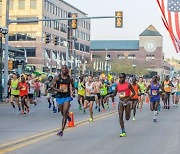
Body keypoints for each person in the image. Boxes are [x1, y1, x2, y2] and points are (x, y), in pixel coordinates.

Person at [53, 65, 75, 137]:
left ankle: (61, 130)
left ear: (67, 70)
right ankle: (68, 117)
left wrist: (73, 92)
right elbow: (52, 86)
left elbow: (73, 85)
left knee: (65, 111)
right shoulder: (57, 77)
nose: (64, 70)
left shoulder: (70, 78)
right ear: (61, 70)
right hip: (59, 97)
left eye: (65, 69)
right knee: (62, 112)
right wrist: (58, 90)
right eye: (63, 69)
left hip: (67, 97)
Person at [112, 73, 135, 137]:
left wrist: (128, 99)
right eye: (120, 77)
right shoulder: (117, 85)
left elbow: (134, 93)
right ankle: (123, 130)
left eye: (122, 77)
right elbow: (114, 94)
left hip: (127, 102)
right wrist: (108, 96)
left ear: (125, 78)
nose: (120, 79)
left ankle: (128, 115)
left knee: (127, 118)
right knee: (120, 115)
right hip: (121, 101)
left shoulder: (128, 84)